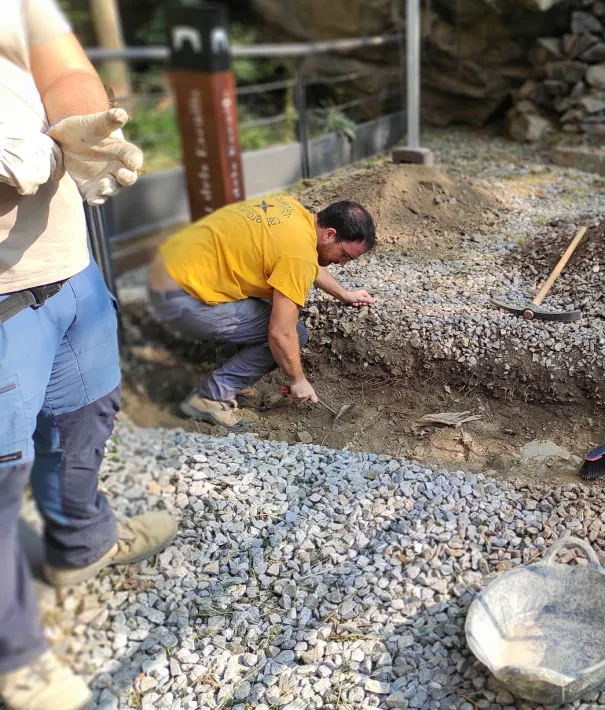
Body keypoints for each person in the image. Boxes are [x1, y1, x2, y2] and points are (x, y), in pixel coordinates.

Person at [0, 1, 177, 709]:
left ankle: (81, 543)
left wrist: (80, 130)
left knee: (86, 416)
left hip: (70, 272)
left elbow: (66, 66)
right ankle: (14, 655)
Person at [146, 194, 376, 429]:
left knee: (265, 306)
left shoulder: (293, 210)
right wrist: (298, 380)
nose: (342, 263)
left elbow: (304, 261)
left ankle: (231, 375)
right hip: (179, 298)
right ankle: (211, 397)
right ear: (330, 235)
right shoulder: (298, 256)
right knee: (294, 333)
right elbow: (281, 333)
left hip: (168, 266)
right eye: (345, 255)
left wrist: (344, 294)